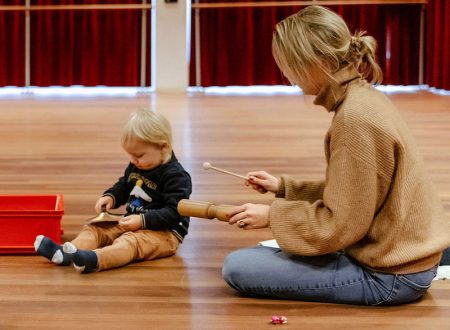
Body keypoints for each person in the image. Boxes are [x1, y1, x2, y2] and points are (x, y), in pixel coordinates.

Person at [222, 5, 450, 305]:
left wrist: (272, 216)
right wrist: (285, 188)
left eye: (290, 64)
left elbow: (340, 225)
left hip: (391, 276)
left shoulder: (354, 120)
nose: (286, 74)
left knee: (239, 267)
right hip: (405, 257)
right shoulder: (363, 98)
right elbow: (358, 195)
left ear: (321, 63)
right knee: (262, 257)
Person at [34, 109, 192, 273]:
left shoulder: (176, 176)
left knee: (129, 243)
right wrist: (112, 196)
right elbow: (125, 184)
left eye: (139, 155)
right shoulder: (138, 164)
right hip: (133, 221)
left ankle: (94, 259)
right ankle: (66, 253)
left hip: (165, 233)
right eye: (130, 155)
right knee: (96, 228)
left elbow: (174, 213)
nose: (133, 161)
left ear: (163, 147)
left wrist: (142, 220)